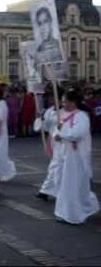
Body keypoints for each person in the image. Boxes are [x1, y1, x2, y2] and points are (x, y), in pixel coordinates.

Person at [52, 89, 99, 225]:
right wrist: (58, 135)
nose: (62, 103)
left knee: (72, 184)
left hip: (77, 156)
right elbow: (57, 131)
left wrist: (62, 134)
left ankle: (72, 214)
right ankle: (65, 211)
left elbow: (77, 134)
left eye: (65, 101)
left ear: (73, 102)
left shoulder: (82, 117)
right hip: (65, 154)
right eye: (62, 101)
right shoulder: (63, 115)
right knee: (64, 183)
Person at [34, 90, 63, 201]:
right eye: (49, 98)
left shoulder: (64, 112)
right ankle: (46, 190)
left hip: (62, 142)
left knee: (55, 166)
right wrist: (39, 118)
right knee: (55, 166)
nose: (50, 100)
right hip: (52, 141)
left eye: (52, 97)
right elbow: (44, 127)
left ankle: (45, 190)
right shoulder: (50, 110)